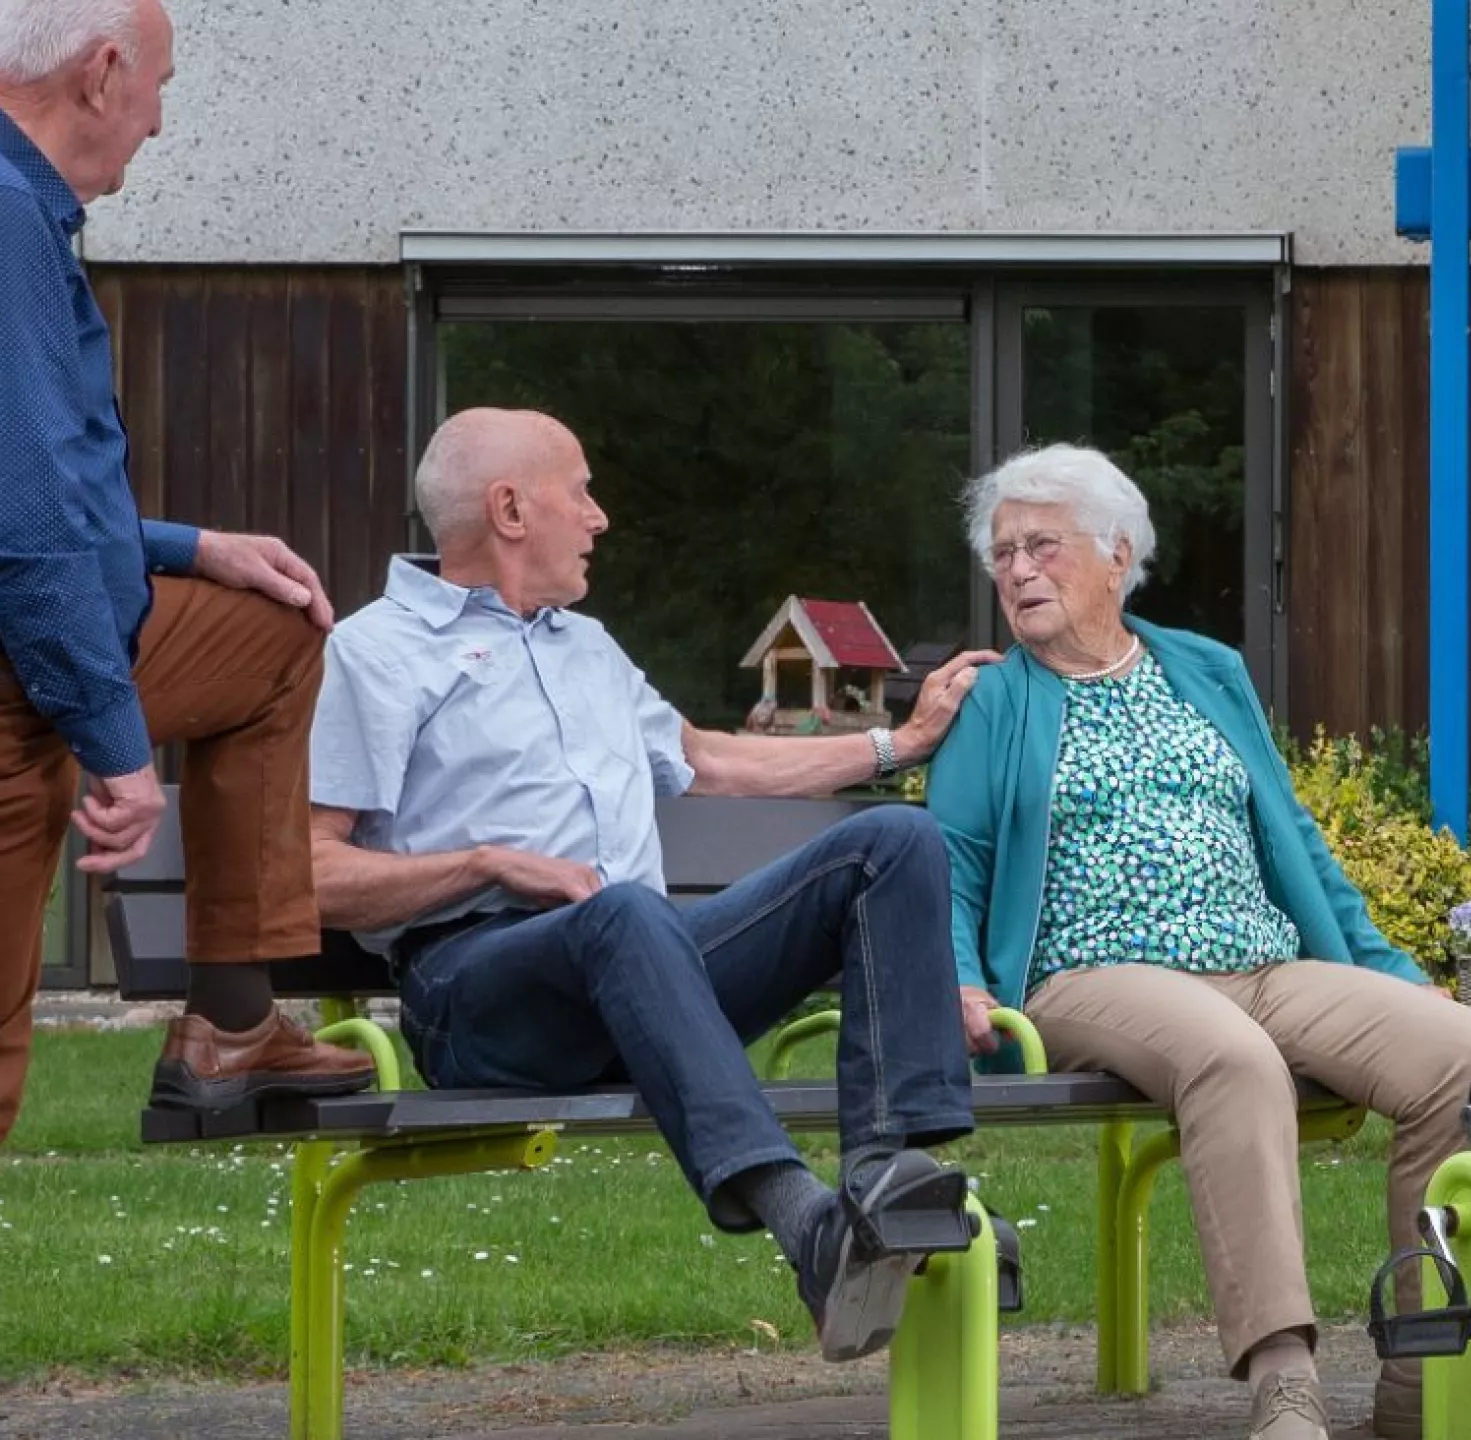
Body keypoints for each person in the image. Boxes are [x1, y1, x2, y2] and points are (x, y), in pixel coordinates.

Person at [308, 406, 996, 1362]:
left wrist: (900, 745)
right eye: (581, 490)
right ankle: (805, 1227)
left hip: (643, 967)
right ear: (510, 508)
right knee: (626, 911)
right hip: (486, 992)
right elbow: (312, 874)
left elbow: (707, 759)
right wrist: (483, 863)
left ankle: (885, 1196)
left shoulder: (585, 645)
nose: (599, 517)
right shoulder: (374, 651)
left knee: (893, 841)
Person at [926, 444, 1471, 1440]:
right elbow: (948, 857)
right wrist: (960, 980)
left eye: (1041, 546)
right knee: (1232, 1060)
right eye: (1002, 552)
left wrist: (1394, 974)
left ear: (1116, 555)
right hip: (1091, 975)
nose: (1017, 569)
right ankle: (1284, 1378)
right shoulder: (994, 701)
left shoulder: (1207, 670)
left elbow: (1296, 843)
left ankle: (1419, 1383)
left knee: (1459, 1053)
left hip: (1263, 961)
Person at [0, 0, 375, 1144]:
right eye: (161, 85)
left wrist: (189, 548)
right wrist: (116, 747)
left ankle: (233, 1018)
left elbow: (42, 479)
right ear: (103, 73)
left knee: (269, 633)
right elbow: (25, 528)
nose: (161, 122)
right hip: (22, 672)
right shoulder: (8, 221)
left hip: (56, 623)